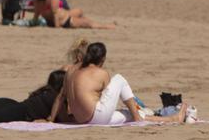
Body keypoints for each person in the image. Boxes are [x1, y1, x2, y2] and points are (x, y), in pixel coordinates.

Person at [48, 42, 185, 125]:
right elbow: (107, 100)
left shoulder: (70, 70)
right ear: (103, 59)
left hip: (81, 119)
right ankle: (139, 118)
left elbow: (60, 97)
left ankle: (173, 119)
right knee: (119, 79)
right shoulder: (101, 73)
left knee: (127, 114)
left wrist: (51, 120)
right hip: (96, 116)